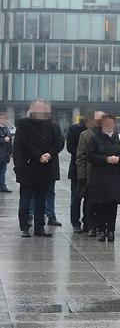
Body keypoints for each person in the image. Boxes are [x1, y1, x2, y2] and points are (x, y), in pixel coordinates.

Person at [14, 100, 64, 237]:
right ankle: (24, 227)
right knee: (25, 199)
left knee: (41, 200)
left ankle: (39, 228)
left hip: (45, 167)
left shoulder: (51, 124)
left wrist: (49, 154)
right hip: (28, 167)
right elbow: (23, 142)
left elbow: (59, 142)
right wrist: (38, 156)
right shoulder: (23, 123)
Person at [87, 114, 120, 242]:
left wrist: (119, 159)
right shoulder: (95, 138)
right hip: (99, 176)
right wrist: (106, 159)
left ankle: (111, 231)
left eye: (111, 123)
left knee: (112, 204)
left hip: (115, 176)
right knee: (100, 205)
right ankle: (101, 230)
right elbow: (90, 156)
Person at [66, 110, 95, 233]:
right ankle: (75, 223)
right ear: (88, 120)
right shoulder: (74, 130)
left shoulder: (97, 131)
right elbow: (70, 148)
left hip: (92, 170)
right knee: (76, 198)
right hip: (77, 169)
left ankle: (87, 222)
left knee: (89, 198)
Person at [0, 112, 12, 193]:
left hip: (5, 155)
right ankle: (2, 186)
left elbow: (10, 142)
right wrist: (3, 140)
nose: (5, 120)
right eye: (3, 118)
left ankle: (2, 186)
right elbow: (5, 140)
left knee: (3, 172)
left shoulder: (6, 129)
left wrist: (11, 152)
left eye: (6, 119)